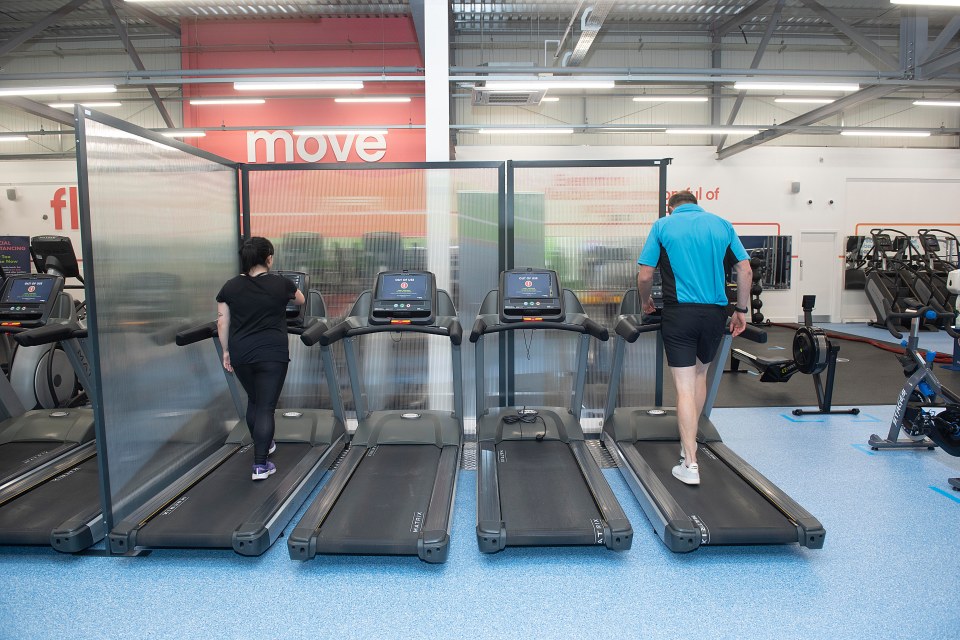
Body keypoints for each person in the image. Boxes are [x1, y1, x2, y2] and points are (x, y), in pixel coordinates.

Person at [636, 191, 751, 485]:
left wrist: (645, 303)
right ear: (696, 203)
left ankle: (690, 463)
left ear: (671, 207)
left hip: (680, 313)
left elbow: (645, 275)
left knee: (684, 387)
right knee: (700, 376)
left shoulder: (663, 225)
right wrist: (741, 309)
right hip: (715, 313)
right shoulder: (722, 225)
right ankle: (689, 445)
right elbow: (745, 269)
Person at [216, 237, 304, 480]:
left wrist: (226, 351)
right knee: (265, 407)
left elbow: (222, 321)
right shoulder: (280, 283)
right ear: (269, 258)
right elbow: (301, 299)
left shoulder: (230, 286)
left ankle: (265, 445)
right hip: (272, 352)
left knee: (254, 401)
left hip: (241, 351)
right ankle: (260, 465)